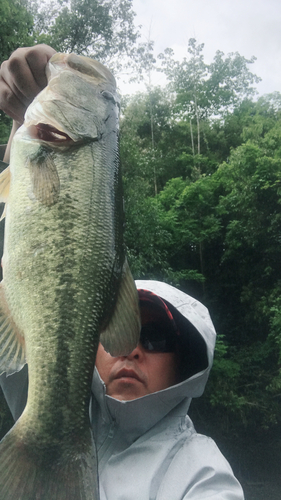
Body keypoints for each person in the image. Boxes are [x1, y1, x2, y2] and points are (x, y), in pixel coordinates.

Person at [0, 45, 245, 500]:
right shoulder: (48, 405)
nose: (130, 349)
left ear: (185, 364)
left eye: (154, 338)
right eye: (120, 331)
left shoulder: (202, 474)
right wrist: (20, 126)